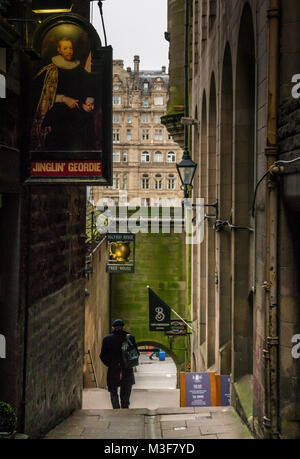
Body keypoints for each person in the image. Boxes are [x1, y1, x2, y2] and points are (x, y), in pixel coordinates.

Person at [30, 37, 97, 151]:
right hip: (56, 121)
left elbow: (87, 92)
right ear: (59, 50)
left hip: (76, 123)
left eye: (70, 48)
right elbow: (40, 96)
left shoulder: (80, 71)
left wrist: (86, 103)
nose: (69, 51)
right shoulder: (50, 71)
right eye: (65, 48)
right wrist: (63, 99)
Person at [100, 319, 139, 409]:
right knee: (126, 390)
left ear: (113, 327)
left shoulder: (107, 339)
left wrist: (110, 364)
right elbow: (136, 353)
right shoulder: (130, 338)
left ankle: (116, 409)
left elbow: (102, 355)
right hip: (127, 368)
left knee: (113, 391)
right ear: (123, 327)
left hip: (113, 369)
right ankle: (125, 407)